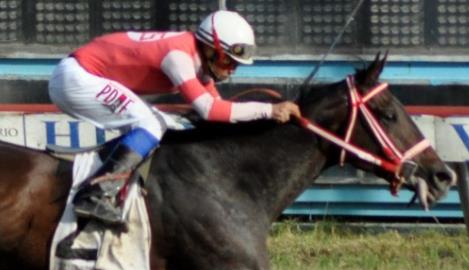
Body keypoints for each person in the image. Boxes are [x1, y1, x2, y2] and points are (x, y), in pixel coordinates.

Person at [48, 10, 301, 227]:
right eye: (228, 59)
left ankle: (108, 185)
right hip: (76, 76)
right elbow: (209, 110)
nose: (232, 68)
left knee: (159, 125)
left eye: (236, 63)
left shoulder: (198, 61)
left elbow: (219, 111)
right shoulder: (178, 56)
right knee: (150, 124)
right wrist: (270, 110)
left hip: (81, 75)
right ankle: (95, 195)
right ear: (211, 47)